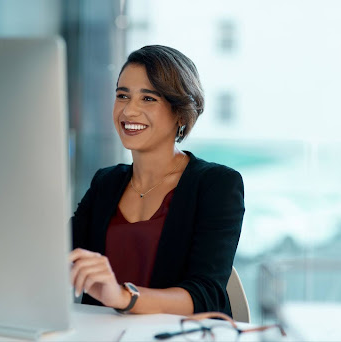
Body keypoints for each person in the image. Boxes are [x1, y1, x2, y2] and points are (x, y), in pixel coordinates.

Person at [69, 45, 245, 317]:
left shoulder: (217, 185)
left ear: (180, 112)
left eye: (148, 99)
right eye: (122, 95)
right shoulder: (106, 182)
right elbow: (60, 255)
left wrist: (121, 296)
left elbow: (206, 294)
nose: (129, 111)